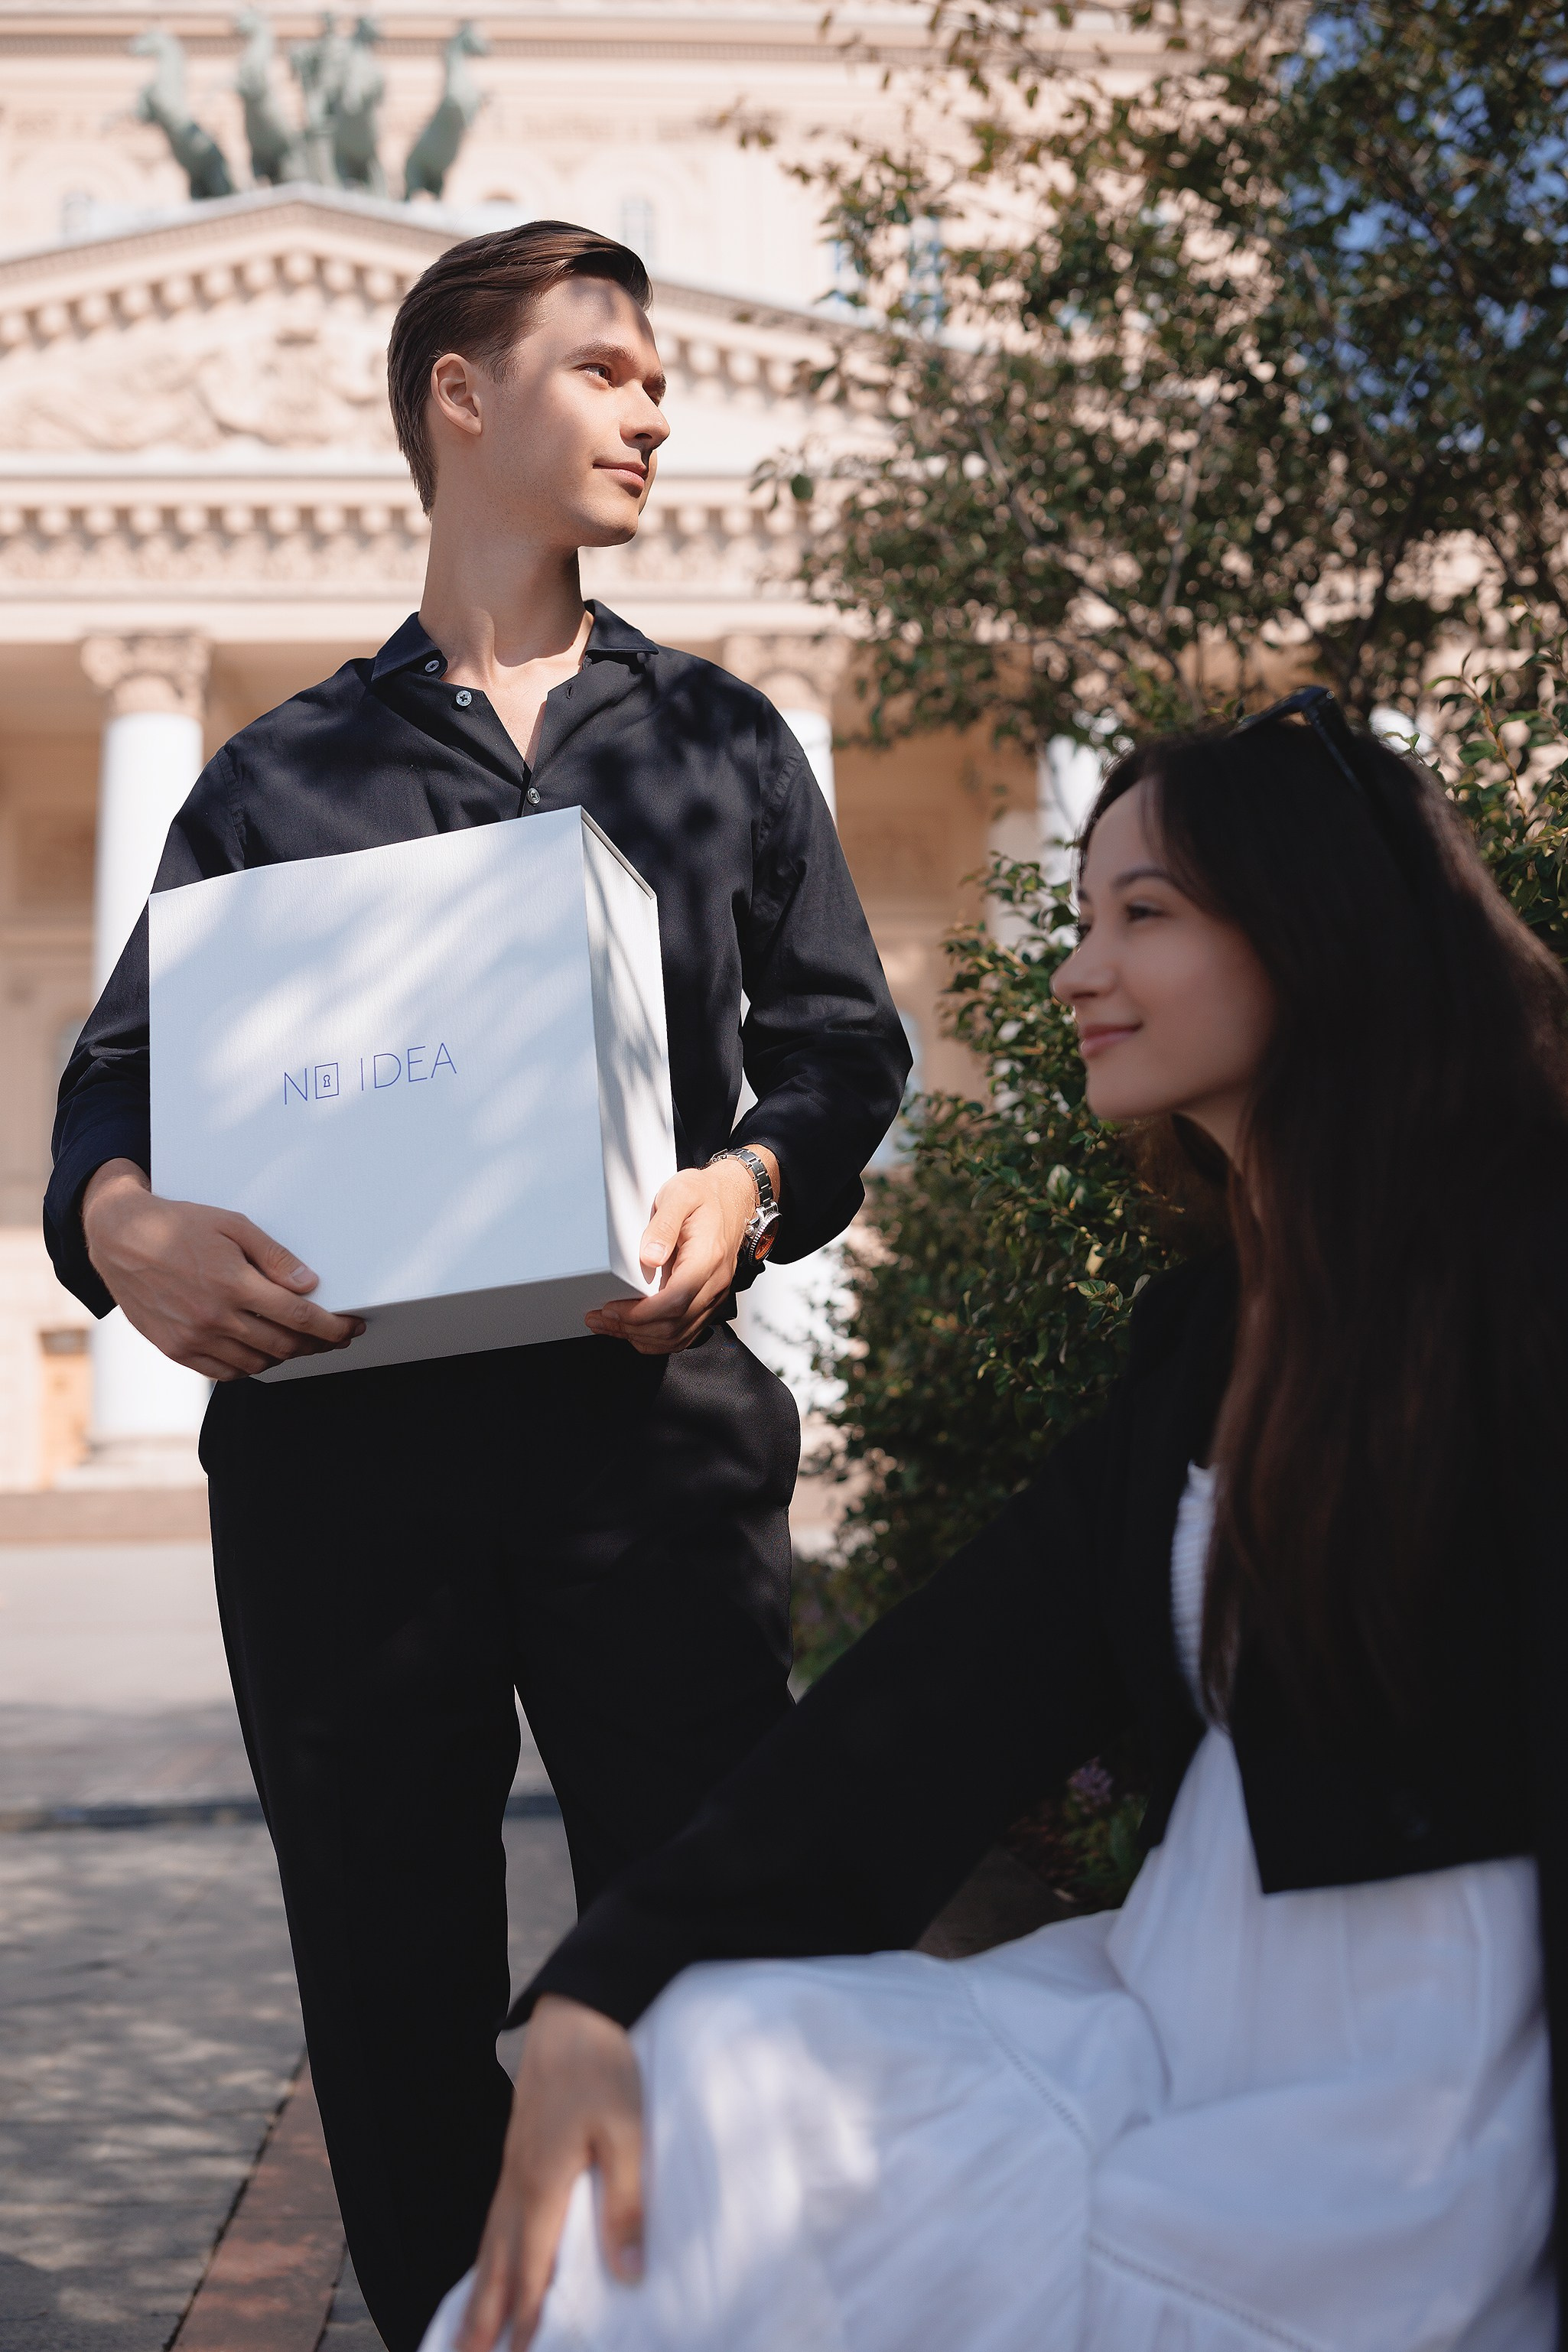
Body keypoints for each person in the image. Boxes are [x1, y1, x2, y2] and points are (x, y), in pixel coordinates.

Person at [425, 691, 1568, 2352]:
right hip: (1181, 2005)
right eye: (1082, 914)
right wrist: (610, 1978)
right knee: (720, 2077)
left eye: (1142, 915)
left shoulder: (1520, 1280)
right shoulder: (1205, 1337)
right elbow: (947, 1690)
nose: (1074, 967)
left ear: (1315, 922)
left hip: (1405, 2102)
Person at [44, 222, 910, 2351]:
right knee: (389, 1970)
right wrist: (127, 1232)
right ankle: (453, 2322)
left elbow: (840, 1048)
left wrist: (755, 1175)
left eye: (654, 375)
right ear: (463, 395)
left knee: (719, 1934)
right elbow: (113, 1103)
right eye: (608, 370)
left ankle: (733, 2313)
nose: (655, 409)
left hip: (653, 1441)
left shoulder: (715, 737)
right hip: (347, 1476)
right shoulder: (274, 777)